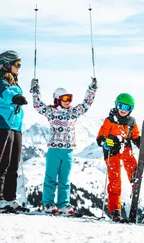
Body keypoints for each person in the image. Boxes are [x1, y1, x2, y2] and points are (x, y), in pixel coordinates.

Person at [31, 77, 98, 215]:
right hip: (54, 150)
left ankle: (63, 204)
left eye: (70, 98)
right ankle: (48, 203)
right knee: (50, 177)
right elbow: (38, 105)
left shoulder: (73, 112)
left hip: (68, 150)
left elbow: (86, 104)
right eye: (65, 98)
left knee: (64, 179)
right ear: (57, 99)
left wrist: (92, 89)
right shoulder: (51, 112)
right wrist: (35, 91)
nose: (68, 102)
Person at [96, 93, 144, 222]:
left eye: (127, 108)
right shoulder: (110, 120)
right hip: (112, 152)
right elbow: (100, 137)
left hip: (125, 148)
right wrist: (105, 143)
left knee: (130, 161)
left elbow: (135, 137)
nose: (123, 110)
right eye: (121, 106)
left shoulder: (131, 122)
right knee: (115, 181)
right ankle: (115, 210)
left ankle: (135, 177)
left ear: (131, 110)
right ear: (116, 105)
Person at [0, 50, 28, 212]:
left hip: (15, 126)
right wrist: (14, 98)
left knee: (14, 164)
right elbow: (6, 93)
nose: (19, 67)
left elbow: (12, 91)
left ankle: (10, 198)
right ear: (7, 64)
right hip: (3, 124)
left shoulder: (13, 81)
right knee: (3, 162)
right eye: (17, 64)